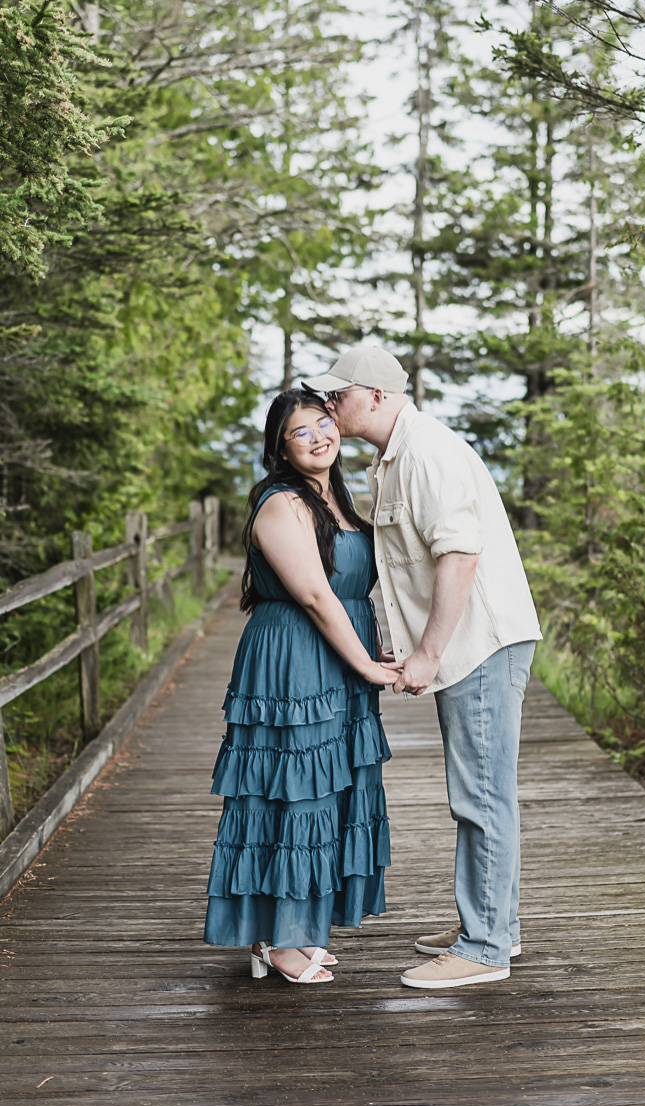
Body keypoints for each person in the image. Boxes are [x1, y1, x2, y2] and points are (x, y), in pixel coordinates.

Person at [305, 345, 542, 990]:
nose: (330, 405)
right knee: (483, 792)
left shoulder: (427, 453)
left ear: (376, 396)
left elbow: (459, 557)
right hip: (466, 647)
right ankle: (496, 924)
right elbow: (407, 568)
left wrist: (429, 654)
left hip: (479, 648)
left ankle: (484, 946)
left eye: (339, 393)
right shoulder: (396, 456)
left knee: (481, 796)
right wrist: (401, 641)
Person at [203, 387, 401, 984]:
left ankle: (295, 928)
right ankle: (280, 939)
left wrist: (369, 648)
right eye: (301, 431)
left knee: (329, 789)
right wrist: (366, 666)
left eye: (324, 423)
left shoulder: (335, 497)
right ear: (280, 448)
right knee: (294, 789)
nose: (319, 436)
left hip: (336, 652)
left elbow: (344, 591)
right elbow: (314, 594)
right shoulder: (280, 502)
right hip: (293, 656)